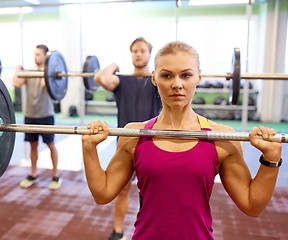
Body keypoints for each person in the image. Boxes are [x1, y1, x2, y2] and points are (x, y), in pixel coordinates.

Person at [82, 41, 282, 239]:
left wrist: (271, 158)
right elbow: (103, 193)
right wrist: (89, 147)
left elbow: (252, 205)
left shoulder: (221, 138)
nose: (177, 84)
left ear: (199, 77)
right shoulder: (134, 135)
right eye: (167, 75)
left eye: (186, 75)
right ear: (154, 78)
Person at [94, 37, 161, 240]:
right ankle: (117, 231)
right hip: (124, 143)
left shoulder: (156, 81)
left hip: (152, 142)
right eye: (134, 51)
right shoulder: (121, 81)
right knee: (121, 189)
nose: (138, 54)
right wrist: (114, 65)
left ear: (150, 54)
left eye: (142, 51)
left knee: (153, 193)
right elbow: (99, 78)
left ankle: (152, 232)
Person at [13, 44, 62, 190]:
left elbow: (49, 86)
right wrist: (17, 70)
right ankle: (33, 174)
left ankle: (55, 175)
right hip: (30, 115)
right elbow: (16, 83)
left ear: (45, 57)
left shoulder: (50, 73)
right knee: (33, 146)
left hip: (45, 114)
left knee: (51, 145)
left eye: (38, 54)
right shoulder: (29, 72)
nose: (35, 57)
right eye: (34, 54)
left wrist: (47, 75)